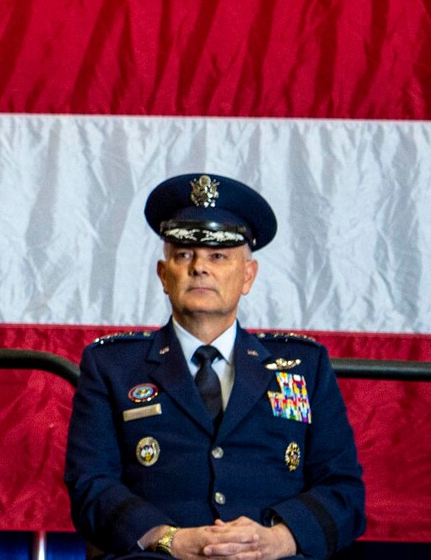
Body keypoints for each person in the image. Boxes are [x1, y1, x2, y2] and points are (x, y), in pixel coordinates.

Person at [65, 173, 365, 559]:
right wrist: (169, 538)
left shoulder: (305, 367)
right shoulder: (112, 365)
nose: (199, 268)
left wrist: (278, 540)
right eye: (184, 255)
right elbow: (90, 484)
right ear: (164, 274)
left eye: (218, 256)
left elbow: (344, 491)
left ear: (248, 276)